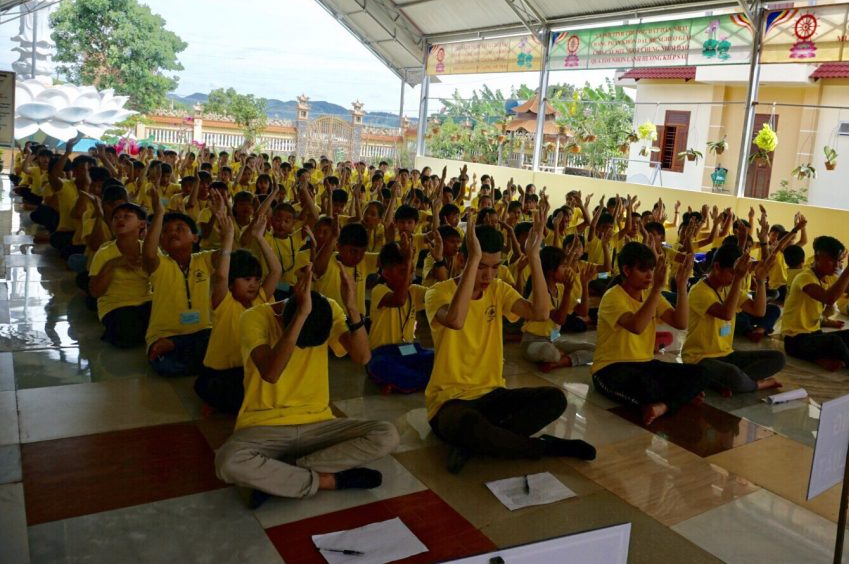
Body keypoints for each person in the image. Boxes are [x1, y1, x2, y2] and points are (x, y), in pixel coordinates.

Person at [425, 209, 596, 474]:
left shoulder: (498, 290)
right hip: (450, 401)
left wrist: (534, 256)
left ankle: (480, 443)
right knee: (468, 425)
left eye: (495, 267)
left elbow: (540, 313)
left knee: (554, 399)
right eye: (481, 267)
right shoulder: (438, 292)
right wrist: (473, 260)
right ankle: (544, 447)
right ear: (461, 260)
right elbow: (456, 320)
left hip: (492, 393)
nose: (488, 276)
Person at [214, 267, 399, 508]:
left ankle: (282, 473)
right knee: (227, 462)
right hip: (264, 426)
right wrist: (300, 316)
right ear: (283, 319)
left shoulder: (328, 308)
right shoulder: (253, 317)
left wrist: (352, 306)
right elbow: (271, 373)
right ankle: (328, 480)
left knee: (387, 435)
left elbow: (363, 357)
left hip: (318, 424)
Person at [592, 242, 710, 426]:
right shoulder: (612, 297)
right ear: (627, 270)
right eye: (643, 270)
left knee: (701, 372)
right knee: (647, 387)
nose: (649, 275)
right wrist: (656, 289)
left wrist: (681, 286)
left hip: (645, 364)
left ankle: (663, 406)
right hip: (610, 369)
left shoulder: (649, 294)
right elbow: (637, 326)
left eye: (651, 269)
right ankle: (680, 397)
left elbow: (680, 323)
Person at [195, 195, 282, 414]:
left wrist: (259, 238)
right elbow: (221, 276)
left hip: (249, 368)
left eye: (256, 279)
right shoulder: (224, 302)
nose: (253, 284)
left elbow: (276, 271)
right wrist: (228, 239)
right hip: (222, 371)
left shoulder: (261, 298)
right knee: (227, 396)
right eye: (246, 279)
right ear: (232, 283)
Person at [682, 244, 785, 395]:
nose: (734, 277)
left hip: (727, 355)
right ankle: (755, 384)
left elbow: (759, 311)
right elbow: (726, 314)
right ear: (717, 267)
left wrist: (761, 281)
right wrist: (737, 279)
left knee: (778, 358)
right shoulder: (698, 291)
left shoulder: (729, 288)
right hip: (699, 358)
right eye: (732, 272)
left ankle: (727, 383)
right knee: (733, 374)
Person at [141, 188, 221, 376]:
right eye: (166, 231)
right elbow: (148, 253)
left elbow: (227, 255)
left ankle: (179, 346)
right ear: (161, 241)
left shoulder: (204, 260)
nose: (172, 233)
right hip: (164, 334)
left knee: (223, 339)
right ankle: (198, 358)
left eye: (179, 229)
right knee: (167, 366)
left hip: (202, 331)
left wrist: (222, 218)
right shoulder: (160, 264)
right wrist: (159, 214)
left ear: (195, 237)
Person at [779, 236, 849, 371]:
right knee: (834, 341)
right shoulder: (804, 277)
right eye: (832, 260)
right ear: (817, 258)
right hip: (795, 341)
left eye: (839, 261)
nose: (836, 265)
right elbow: (828, 298)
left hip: (815, 335)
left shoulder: (829, 278)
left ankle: (828, 358)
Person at [365, 240, 434, 393]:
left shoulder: (413, 291)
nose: (410, 276)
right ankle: (418, 380)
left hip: (408, 350)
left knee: (438, 357)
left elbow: (438, 294)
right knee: (379, 365)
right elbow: (399, 300)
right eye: (403, 271)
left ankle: (404, 382)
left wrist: (440, 260)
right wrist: (408, 261)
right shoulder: (379, 290)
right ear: (386, 273)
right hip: (384, 353)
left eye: (411, 271)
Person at [520, 246, 597, 372]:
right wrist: (568, 291)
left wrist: (585, 285)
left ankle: (560, 362)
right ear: (551, 271)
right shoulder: (539, 293)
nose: (567, 270)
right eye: (564, 266)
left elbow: (583, 312)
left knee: (595, 349)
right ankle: (558, 357)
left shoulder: (560, 289)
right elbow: (560, 319)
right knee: (550, 352)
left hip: (553, 340)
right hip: (533, 342)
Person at [88, 202, 152, 348]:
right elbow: (95, 292)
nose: (120, 220)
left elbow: (161, 282)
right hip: (116, 305)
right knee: (126, 332)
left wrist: (150, 264)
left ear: (141, 224)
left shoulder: (148, 250)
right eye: (116, 218)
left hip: (146, 301)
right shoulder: (104, 253)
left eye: (126, 216)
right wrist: (112, 264)